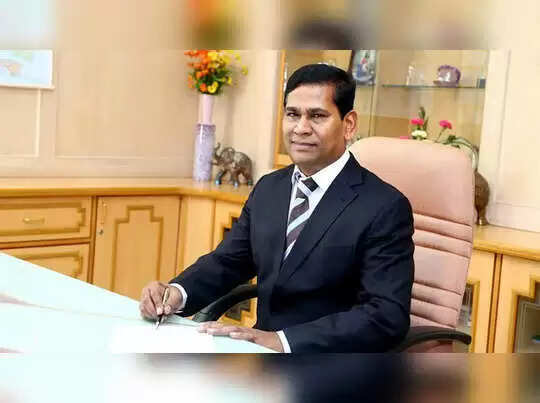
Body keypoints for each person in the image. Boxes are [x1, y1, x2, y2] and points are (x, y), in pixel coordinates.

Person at [140, 64, 415, 353]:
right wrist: (177, 293)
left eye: (317, 116)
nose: (301, 128)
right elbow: (229, 261)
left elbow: (385, 316)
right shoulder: (270, 187)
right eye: (292, 114)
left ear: (349, 124)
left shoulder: (384, 207)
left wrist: (282, 341)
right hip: (258, 352)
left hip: (328, 359)